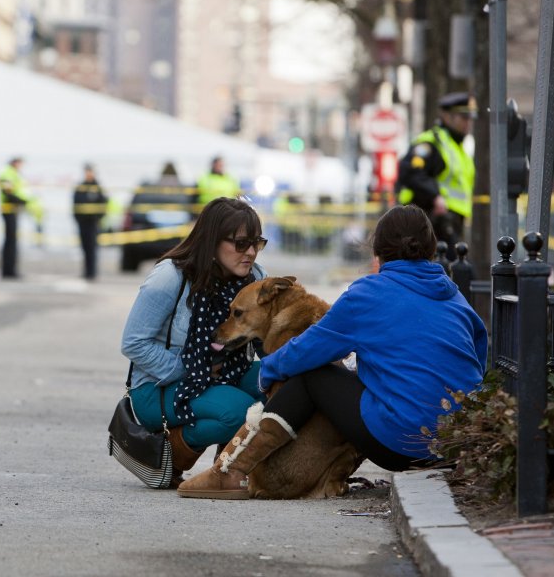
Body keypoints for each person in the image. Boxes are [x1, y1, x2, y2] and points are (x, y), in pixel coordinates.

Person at [177, 205, 487, 499]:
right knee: (365, 379)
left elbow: (308, 350)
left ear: (377, 252)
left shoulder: (368, 295)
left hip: (402, 445)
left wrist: (268, 372)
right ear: (432, 249)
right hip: (454, 444)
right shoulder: (457, 299)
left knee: (312, 373)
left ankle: (230, 470)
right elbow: (478, 359)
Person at [121, 197, 269, 488]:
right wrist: (189, 369)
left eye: (257, 243)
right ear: (212, 241)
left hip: (223, 375)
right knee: (243, 411)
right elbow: (133, 343)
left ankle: (230, 465)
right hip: (159, 386)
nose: (250, 252)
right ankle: (173, 454)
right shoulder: (171, 277)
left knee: (278, 388)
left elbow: (266, 341)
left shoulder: (255, 279)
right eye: (240, 244)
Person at [397, 92, 477, 261]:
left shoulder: (459, 148)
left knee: (456, 271)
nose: (468, 122)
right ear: (447, 117)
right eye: (463, 117)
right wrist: (435, 196)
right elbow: (411, 172)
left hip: (453, 222)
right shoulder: (431, 143)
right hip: (433, 221)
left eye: (470, 118)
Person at [0, 157, 34, 279]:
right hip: (9, 209)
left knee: (12, 241)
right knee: (10, 241)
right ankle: (8, 271)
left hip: (13, 209)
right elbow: (8, 192)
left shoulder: (13, 173)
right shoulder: (8, 173)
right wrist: (21, 201)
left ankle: (10, 270)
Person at [72, 163, 108, 280]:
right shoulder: (81, 187)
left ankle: (92, 272)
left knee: (92, 248)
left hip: (93, 222)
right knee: (84, 247)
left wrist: (98, 218)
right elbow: (75, 204)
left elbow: (104, 204)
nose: (88, 174)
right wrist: (78, 219)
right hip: (83, 222)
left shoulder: (97, 187)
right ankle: (86, 271)